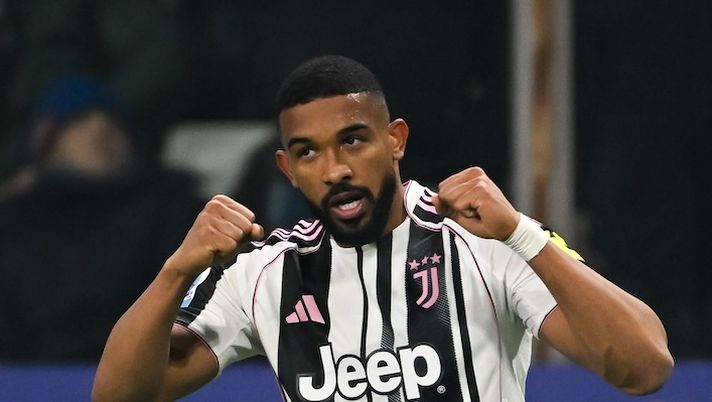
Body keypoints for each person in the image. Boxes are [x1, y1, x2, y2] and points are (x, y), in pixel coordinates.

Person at [92, 56, 673, 402]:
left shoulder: (483, 242)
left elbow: (645, 367)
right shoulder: (262, 272)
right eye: (308, 152)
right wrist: (176, 272)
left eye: (352, 140)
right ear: (288, 170)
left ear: (395, 140)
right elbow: (119, 395)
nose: (335, 170)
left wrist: (523, 235)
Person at [0, 75, 203, 361]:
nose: (100, 130)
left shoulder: (176, 212)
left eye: (113, 122)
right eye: (78, 121)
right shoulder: (17, 223)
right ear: (49, 143)